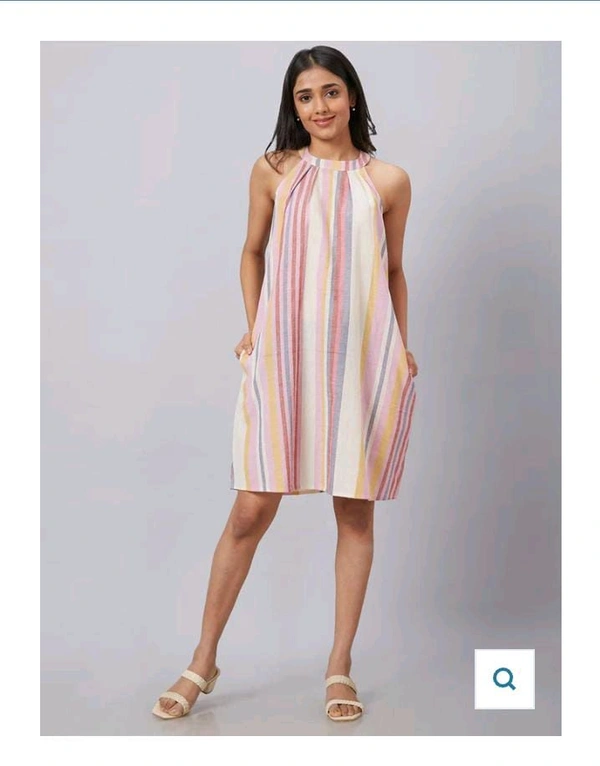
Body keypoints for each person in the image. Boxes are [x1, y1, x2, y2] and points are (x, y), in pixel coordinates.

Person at [152, 45, 418, 723]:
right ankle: (203, 660)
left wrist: (402, 346)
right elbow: (252, 252)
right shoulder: (275, 170)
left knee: (354, 510)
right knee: (251, 507)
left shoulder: (388, 181)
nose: (319, 107)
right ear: (293, 108)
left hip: (359, 358)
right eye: (305, 97)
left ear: (351, 96)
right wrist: (253, 328)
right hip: (284, 355)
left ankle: (339, 666)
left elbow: (392, 272)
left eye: (330, 92)